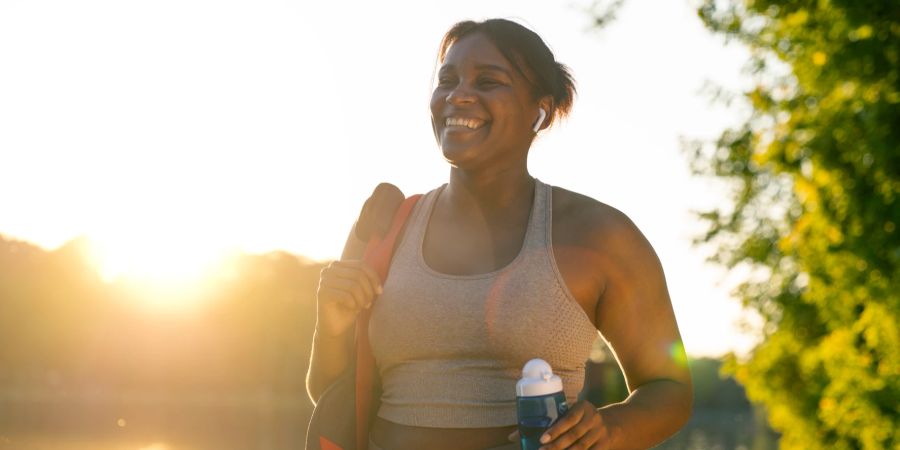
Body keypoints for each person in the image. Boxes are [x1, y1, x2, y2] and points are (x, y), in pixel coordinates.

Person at [307, 18, 693, 450]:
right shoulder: (383, 227)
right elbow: (329, 392)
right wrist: (330, 325)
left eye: (489, 81)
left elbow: (670, 389)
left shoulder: (602, 235)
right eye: (447, 80)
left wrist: (610, 429)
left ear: (540, 111)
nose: (458, 95)